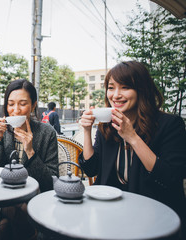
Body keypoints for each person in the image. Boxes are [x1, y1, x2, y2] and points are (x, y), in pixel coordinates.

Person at [79, 61, 186, 237]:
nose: (116, 95)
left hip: (156, 217)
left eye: (125, 87)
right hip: (111, 213)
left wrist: (132, 137)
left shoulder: (170, 125)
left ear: (141, 90)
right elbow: (91, 169)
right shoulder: (107, 126)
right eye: (111, 88)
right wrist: (87, 131)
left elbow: (170, 178)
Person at [0, 79, 58, 240]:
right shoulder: (4, 131)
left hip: (35, 199)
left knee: (0, 231)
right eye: (11, 104)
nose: (16, 110)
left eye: (22, 104)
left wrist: (30, 151)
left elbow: (50, 181)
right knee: (1, 228)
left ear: (33, 105)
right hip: (5, 198)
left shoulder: (47, 133)